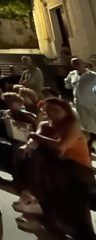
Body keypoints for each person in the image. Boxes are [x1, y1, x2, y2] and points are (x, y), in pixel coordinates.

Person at [12, 98, 96, 238]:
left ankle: (34, 199)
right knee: (28, 154)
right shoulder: (45, 124)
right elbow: (34, 140)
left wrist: (35, 136)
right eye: (49, 109)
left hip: (78, 170)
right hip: (57, 169)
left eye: (57, 110)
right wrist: (29, 144)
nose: (52, 113)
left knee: (44, 159)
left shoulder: (72, 125)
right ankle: (31, 196)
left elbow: (60, 146)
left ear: (66, 112)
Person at [63, 57, 96, 134]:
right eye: (74, 64)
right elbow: (67, 84)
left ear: (84, 64)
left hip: (91, 101)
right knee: (84, 120)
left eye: (78, 63)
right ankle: (90, 136)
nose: (76, 65)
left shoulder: (92, 75)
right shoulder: (72, 74)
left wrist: (92, 93)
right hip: (78, 102)